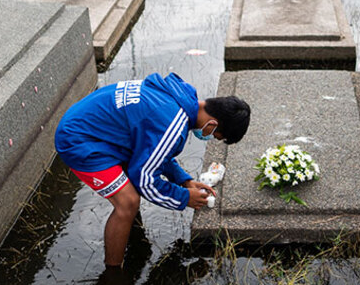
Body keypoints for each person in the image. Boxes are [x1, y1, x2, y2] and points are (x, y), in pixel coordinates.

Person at [54, 72, 250, 267]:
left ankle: (131, 235)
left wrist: (184, 180)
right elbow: (144, 179)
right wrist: (184, 197)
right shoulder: (172, 123)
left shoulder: (179, 97)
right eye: (216, 136)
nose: (210, 138)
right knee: (128, 202)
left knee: (131, 188)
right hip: (79, 139)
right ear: (212, 124)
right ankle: (113, 274)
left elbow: (152, 152)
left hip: (90, 124)